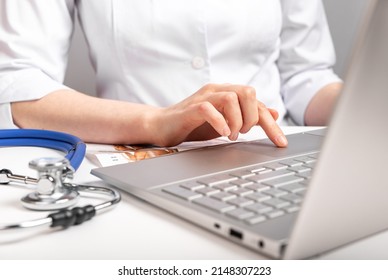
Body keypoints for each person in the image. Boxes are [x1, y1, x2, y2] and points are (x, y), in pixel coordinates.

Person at [0, 0, 342, 148]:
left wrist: (365, 106)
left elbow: (305, 74)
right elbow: (21, 87)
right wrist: (157, 122)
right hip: (138, 160)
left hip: (275, 155)